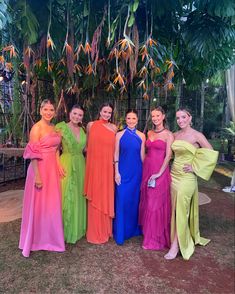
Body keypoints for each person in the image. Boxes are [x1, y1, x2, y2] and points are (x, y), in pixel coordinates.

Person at [164, 108, 218, 260]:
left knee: (181, 210)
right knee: (174, 209)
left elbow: (211, 153)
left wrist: (195, 167)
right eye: (178, 118)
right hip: (173, 176)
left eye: (183, 117)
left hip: (187, 178)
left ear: (190, 117)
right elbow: (168, 154)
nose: (180, 120)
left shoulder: (197, 135)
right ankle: (175, 238)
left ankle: (176, 246)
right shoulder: (175, 135)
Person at [19, 99, 65, 257]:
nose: (49, 112)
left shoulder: (54, 127)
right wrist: (38, 176)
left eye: (51, 110)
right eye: (46, 109)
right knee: (38, 204)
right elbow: (32, 155)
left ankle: (50, 237)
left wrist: (58, 165)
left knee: (51, 204)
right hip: (39, 168)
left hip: (52, 168)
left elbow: (56, 149)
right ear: (40, 111)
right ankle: (36, 239)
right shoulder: (36, 128)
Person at [139, 106, 173, 250]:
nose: (155, 118)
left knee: (155, 204)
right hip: (147, 170)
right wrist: (144, 164)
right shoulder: (150, 132)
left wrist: (159, 173)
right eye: (153, 116)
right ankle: (148, 234)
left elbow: (169, 155)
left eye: (157, 115)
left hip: (160, 172)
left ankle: (155, 240)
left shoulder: (168, 135)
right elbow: (144, 151)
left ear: (163, 116)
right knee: (147, 202)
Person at [84, 102, 117, 244]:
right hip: (94, 166)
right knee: (95, 195)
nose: (107, 114)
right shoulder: (91, 125)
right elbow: (86, 146)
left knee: (105, 195)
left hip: (107, 168)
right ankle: (93, 231)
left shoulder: (114, 128)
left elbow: (116, 150)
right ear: (100, 111)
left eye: (109, 112)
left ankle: (104, 229)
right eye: (105, 111)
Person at [113, 110, 145, 245]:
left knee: (134, 201)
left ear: (137, 120)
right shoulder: (119, 135)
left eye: (133, 118)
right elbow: (115, 154)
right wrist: (116, 172)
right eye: (128, 118)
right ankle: (120, 232)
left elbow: (143, 157)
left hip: (137, 172)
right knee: (122, 200)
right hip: (122, 173)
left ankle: (133, 230)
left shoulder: (142, 136)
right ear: (125, 120)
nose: (131, 121)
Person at [56, 104, 87, 244]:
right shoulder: (61, 127)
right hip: (66, 162)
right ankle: (62, 230)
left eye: (80, 115)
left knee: (78, 194)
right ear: (70, 113)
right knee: (65, 194)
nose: (77, 117)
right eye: (75, 113)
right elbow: (55, 149)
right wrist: (57, 164)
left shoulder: (83, 130)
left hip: (81, 165)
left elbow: (86, 149)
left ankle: (77, 227)